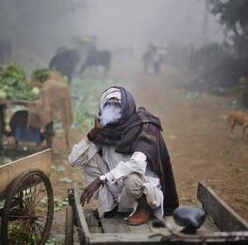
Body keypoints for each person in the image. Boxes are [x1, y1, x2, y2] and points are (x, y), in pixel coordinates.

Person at [68, 86, 179, 226]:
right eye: (109, 105)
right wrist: (93, 133)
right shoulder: (105, 130)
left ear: (126, 107)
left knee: (131, 175)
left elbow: (137, 164)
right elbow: (74, 160)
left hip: (139, 189)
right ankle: (110, 207)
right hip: (117, 191)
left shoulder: (144, 126)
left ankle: (143, 209)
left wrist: (101, 179)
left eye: (117, 105)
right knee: (88, 159)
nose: (113, 109)